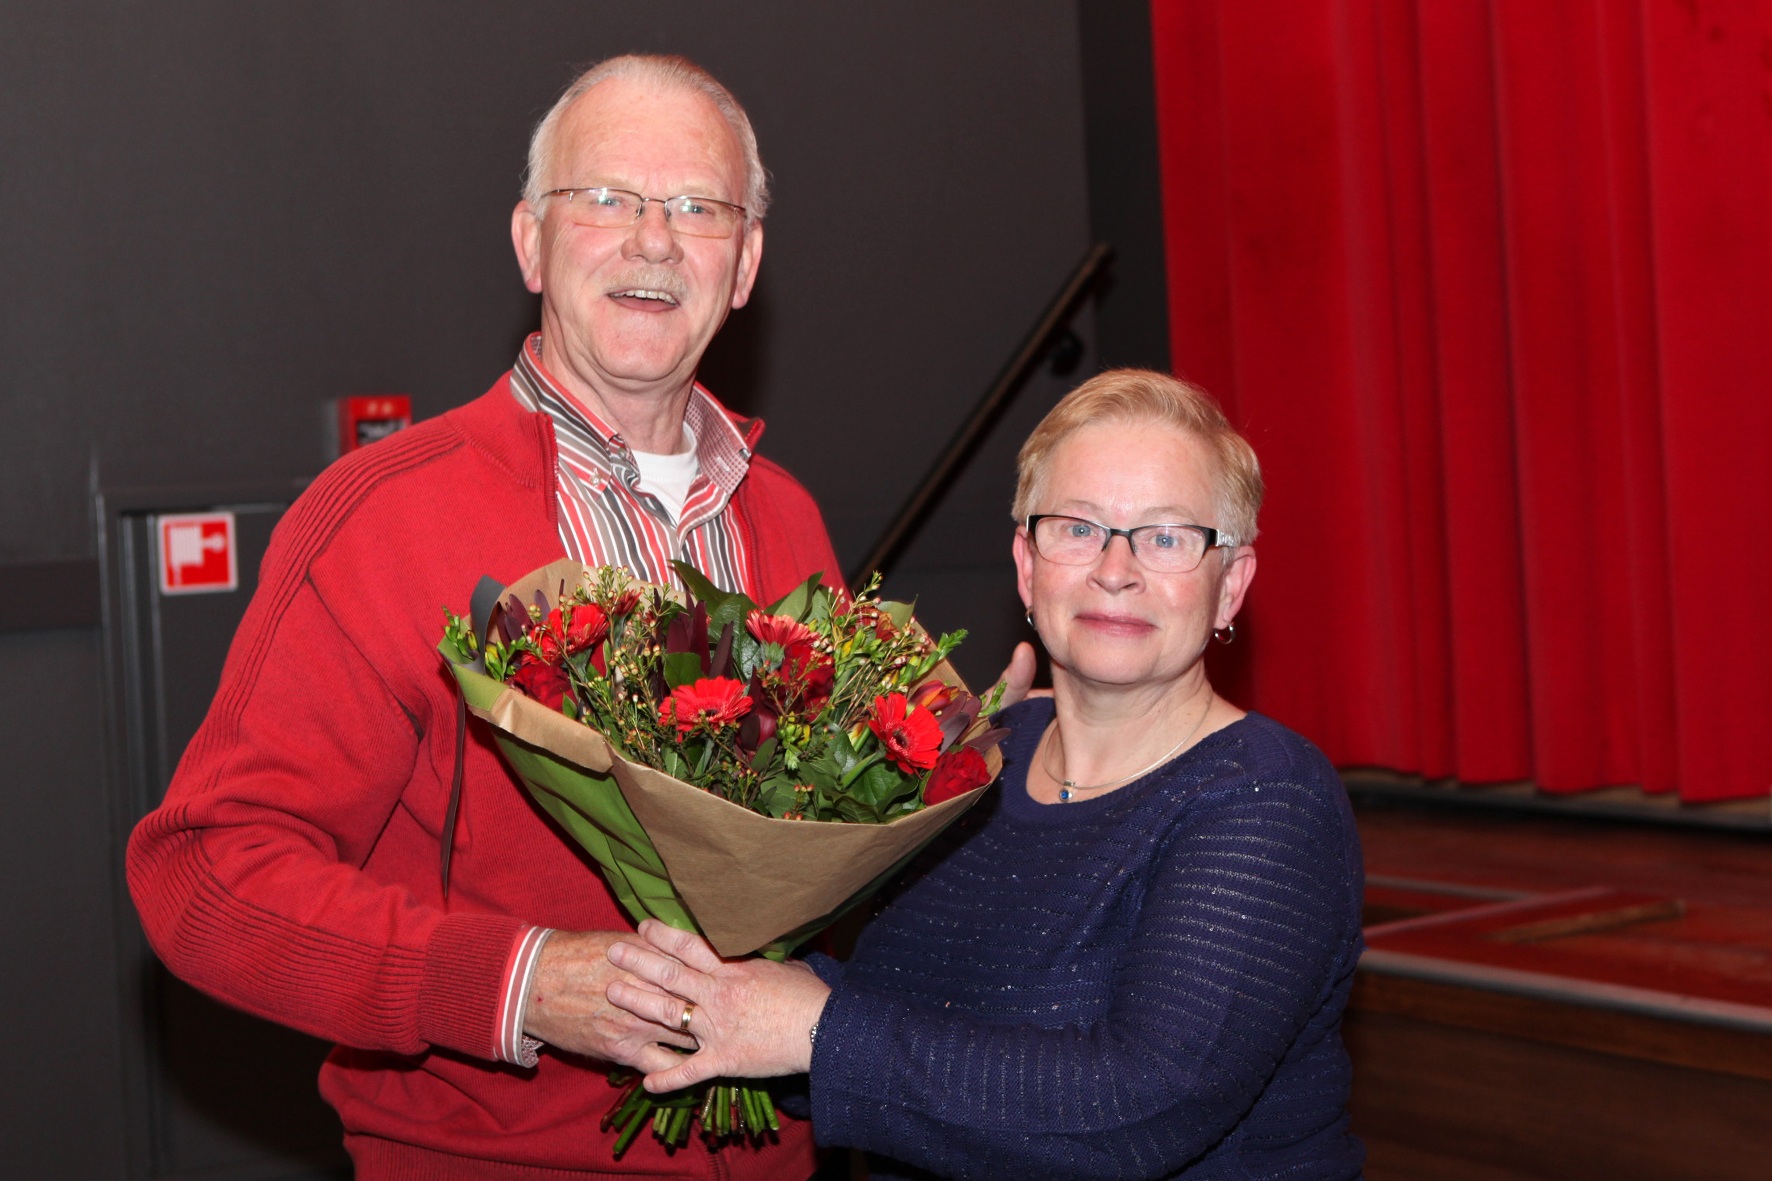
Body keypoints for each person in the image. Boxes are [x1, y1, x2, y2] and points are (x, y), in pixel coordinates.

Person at [127, 54, 1031, 1180]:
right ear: (529, 242)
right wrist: (515, 982)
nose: (653, 240)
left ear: (742, 263)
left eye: (698, 208)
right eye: (605, 197)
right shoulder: (380, 519)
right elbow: (208, 877)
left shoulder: (785, 517)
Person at [603, 369, 1367, 1180]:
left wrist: (815, 1032)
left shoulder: (1268, 798)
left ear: (1231, 586)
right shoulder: (973, 759)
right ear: (1026, 565)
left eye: (1167, 536)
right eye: (1077, 527)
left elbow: (1141, 1105)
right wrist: (717, 992)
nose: (1116, 568)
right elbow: (892, 1008)